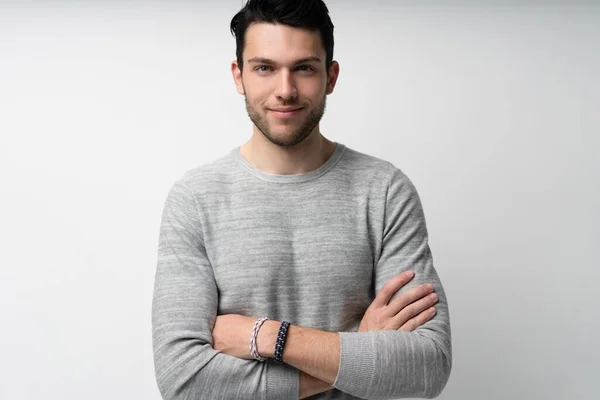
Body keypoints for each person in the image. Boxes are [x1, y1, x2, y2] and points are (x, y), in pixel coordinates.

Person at [151, 0, 452, 398]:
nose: (285, 90)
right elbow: (184, 382)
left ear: (331, 75)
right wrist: (356, 351)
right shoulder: (195, 199)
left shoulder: (384, 191)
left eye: (304, 68)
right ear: (238, 76)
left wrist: (268, 336)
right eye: (265, 68)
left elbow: (426, 367)